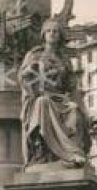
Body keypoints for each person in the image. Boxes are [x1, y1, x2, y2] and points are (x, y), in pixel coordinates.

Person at [19, 19, 90, 167]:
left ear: (60, 35)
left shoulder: (64, 59)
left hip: (60, 98)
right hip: (39, 96)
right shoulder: (34, 54)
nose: (52, 34)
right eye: (49, 31)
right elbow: (23, 77)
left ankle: (72, 152)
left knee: (74, 110)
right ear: (43, 34)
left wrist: (80, 105)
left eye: (55, 31)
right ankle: (44, 151)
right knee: (42, 103)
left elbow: (71, 86)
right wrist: (30, 70)